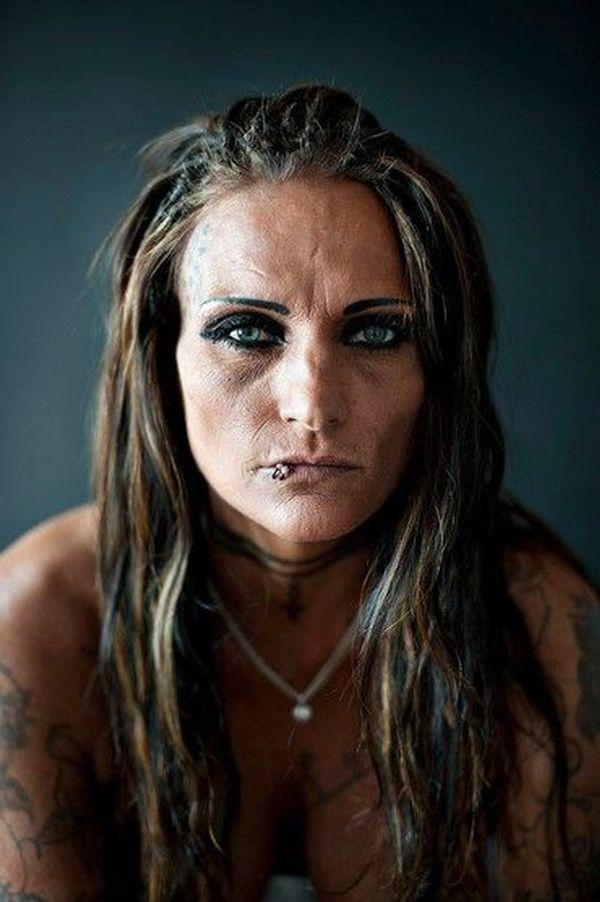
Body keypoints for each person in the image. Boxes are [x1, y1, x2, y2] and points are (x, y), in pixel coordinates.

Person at [0, 83, 598, 902]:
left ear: (438, 370)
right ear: (161, 359)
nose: (312, 404)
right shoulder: (38, 623)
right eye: (247, 331)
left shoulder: (533, 624)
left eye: (376, 332)